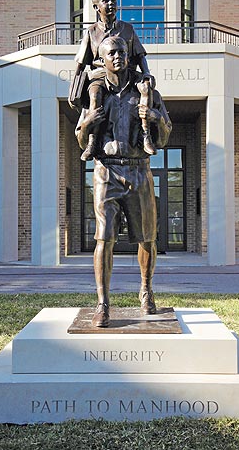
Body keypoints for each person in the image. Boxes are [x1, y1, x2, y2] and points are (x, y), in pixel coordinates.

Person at [75, 36, 172, 327]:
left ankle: (146, 291)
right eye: (111, 53)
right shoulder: (96, 92)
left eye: (121, 52)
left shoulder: (146, 90)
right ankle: (103, 303)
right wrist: (89, 123)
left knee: (147, 237)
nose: (117, 56)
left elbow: (166, 134)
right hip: (106, 170)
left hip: (139, 169)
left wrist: (154, 117)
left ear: (129, 55)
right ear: (102, 60)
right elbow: (81, 138)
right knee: (104, 238)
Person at [68, 0, 156, 161]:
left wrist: (146, 73)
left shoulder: (127, 29)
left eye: (114, 0)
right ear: (96, 7)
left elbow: (139, 54)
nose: (111, 4)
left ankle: (145, 135)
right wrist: (74, 84)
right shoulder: (92, 32)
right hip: (100, 74)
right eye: (106, 0)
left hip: (128, 74)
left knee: (146, 89)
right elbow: (81, 62)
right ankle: (92, 140)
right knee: (95, 94)